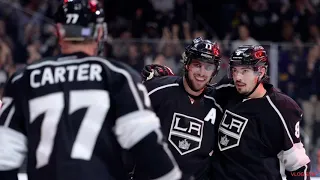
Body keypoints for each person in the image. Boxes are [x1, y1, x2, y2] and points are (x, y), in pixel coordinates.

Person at [0, 1, 182, 180]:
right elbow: (149, 146)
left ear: (58, 31)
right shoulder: (118, 76)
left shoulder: (24, 79)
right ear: (100, 32)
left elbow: (4, 159)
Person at [141, 45, 311, 180]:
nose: (238, 77)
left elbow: (298, 165)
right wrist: (167, 79)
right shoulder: (228, 90)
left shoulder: (281, 108)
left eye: (245, 71)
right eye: (235, 70)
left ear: (261, 72)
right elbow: (198, 89)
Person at [136, 37, 223, 180]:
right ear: (187, 64)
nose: (202, 73)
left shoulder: (218, 102)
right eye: (197, 65)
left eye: (208, 67)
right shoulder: (157, 89)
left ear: (215, 71)